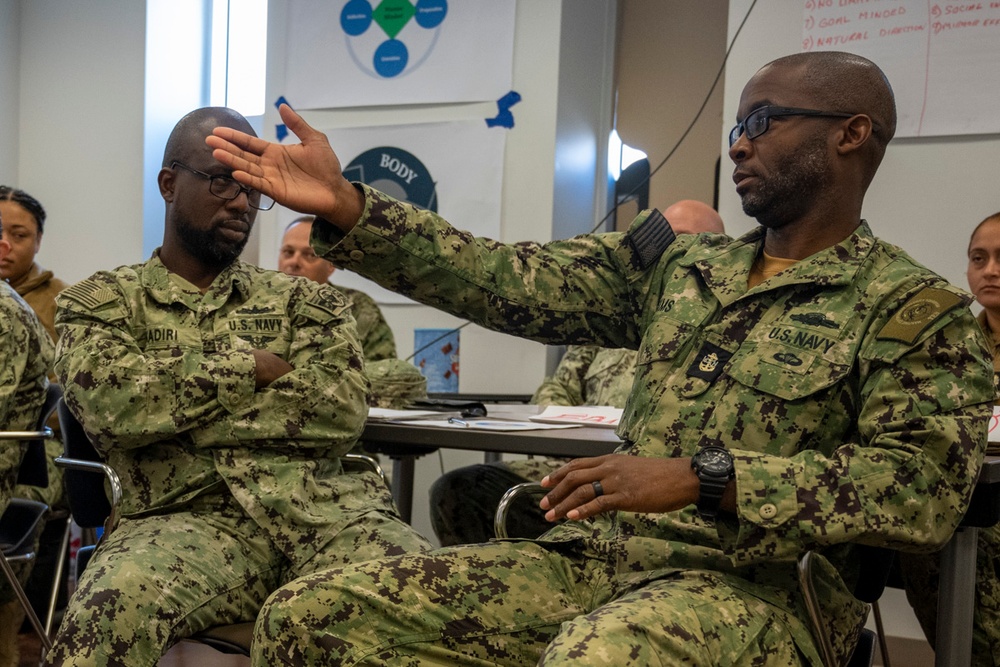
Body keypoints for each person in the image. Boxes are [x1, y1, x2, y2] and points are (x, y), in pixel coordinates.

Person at [209, 52, 995, 666]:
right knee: (310, 618)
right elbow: (507, 278)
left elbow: (921, 490)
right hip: (592, 559)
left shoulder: (910, 310)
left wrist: (706, 476)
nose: (740, 142)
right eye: (736, 126)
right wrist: (351, 207)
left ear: (851, 133)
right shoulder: (685, 270)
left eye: (764, 118)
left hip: (755, 592)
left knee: (595, 656)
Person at [45, 107, 430, 667]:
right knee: (100, 616)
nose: (241, 202)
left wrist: (174, 413)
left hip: (329, 516)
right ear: (169, 184)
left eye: (252, 188)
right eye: (223, 181)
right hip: (180, 526)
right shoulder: (102, 304)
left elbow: (340, 410)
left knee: (440, 603)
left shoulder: (308, 302)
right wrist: (249, 367)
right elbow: (109, 408)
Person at [430, 200, 724, 546]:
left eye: (687, 242)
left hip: (662, 488)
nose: (672, 255)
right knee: (461, 490)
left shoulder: (723, 332)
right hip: (581, 466)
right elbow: (554, 390)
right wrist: (575, 427)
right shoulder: (611, 323)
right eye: (666, 242)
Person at [897, 210, 1000, 667]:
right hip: (964, 504)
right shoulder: (953, 343)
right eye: (979, 258)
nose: (990, 270)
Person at [0, 186, 70, 651]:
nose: (3, 243)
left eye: (16, 234)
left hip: (39, 446)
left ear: (38, 240)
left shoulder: (62, 303)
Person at [279, 215, 397, 362]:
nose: (294, 262)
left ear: (331, 265)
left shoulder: (357, 308)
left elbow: (383, 372)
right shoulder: (261, 300)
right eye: (288, 252)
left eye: (309, 255)